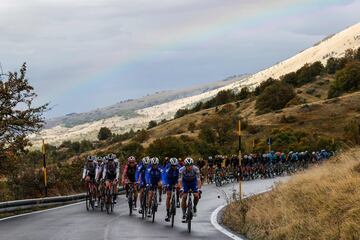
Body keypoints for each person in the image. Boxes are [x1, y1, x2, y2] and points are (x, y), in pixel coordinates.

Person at [179, 157, 202, 222]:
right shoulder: (181, 170)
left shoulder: (196, 169)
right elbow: (180, 180)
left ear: (192, 165)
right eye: (187, 166)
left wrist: (199, 189)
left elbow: (198, 180)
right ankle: (183, 214)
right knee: (184, 197)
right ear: (185, 165)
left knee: (196, 195)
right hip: (185, 182)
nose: (189, 167)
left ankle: (194, 207)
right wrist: (181, 188)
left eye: (190, 165)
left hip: (193, 182)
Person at [163, 157, 180, 222]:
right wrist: (165, 184)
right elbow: (164, 176)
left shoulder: (179, 167)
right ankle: (167, 213)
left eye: (175, 165)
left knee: (178, 188)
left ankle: (177, 200)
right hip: (169, 181)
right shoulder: (167, 167)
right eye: (173, 166)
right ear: (170, 164)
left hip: (176, 180)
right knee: (169, 196)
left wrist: (179, 184)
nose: (174, 167)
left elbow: (182, 175)